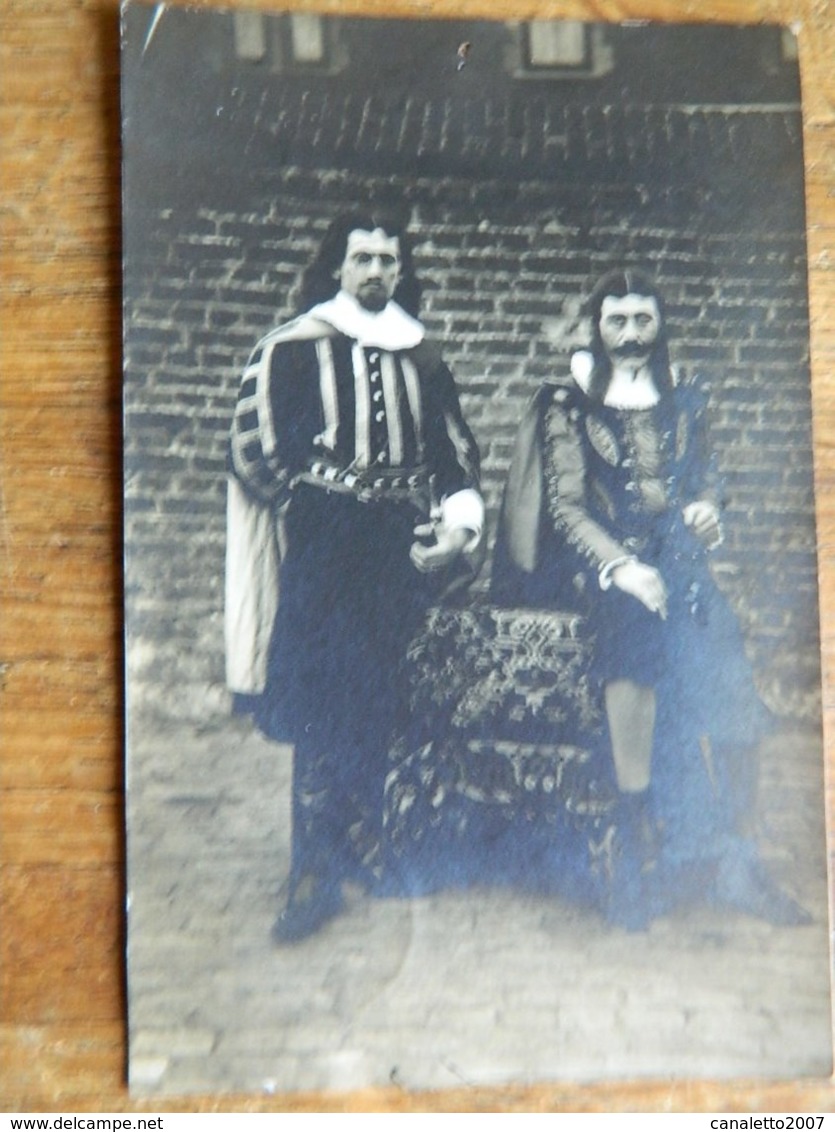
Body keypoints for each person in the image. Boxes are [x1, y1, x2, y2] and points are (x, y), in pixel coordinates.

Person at [492, 268, 808, 931]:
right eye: (617, 321)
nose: (631, 335)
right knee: (633, 632)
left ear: (657, 326)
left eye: (642, 320)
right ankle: (638, 844)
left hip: (680, 561)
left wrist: (705, 510)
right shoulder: (571, 408)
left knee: (722, 655)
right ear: (596, 327)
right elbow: (568, 509)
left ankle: (737, 858)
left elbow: (705, 478)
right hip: (602, 564)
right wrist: (620, 567)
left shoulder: (684, 401)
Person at [225, 210, 484, 942]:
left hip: (394, 543)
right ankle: (312, 862)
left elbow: (456, 453)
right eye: (361, 258)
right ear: (336, 267)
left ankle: (365, 837)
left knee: (377, 689)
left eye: (387, 261)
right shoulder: (295, 347)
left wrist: (457, 524)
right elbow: (255, 442)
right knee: (318, 689)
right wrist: (309, 500)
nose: (375, 272)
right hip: (324, 539)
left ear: (401, 272)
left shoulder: (422, 357)